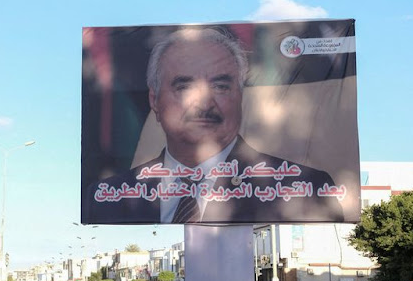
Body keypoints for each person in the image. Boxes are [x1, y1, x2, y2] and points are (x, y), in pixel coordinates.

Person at [83, 27, 345, 224]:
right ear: (154, 99)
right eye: (184, 86)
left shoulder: (307, 189)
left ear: (241, 96)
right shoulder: (107, 197)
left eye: (221, 86)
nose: (204, 103)